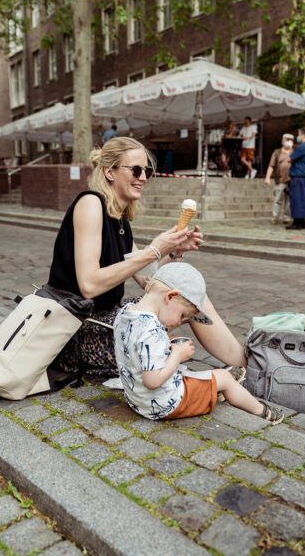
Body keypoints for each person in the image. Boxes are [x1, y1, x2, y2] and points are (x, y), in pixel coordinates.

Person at [47, 136, 246, 378]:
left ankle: (243, 363)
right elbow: (89, 286)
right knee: (164, 345)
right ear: (110, 172)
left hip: (107, 318)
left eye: (147, 171)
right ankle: (238, 369)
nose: (142, 177)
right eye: (136, 170)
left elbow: (149, 281)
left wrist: (174, 251)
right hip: (80, 328)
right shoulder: (90, 204)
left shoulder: (120, 220)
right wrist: (154, 250)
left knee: (188, 296)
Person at [113, 262, 284, 423]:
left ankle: (212, 387)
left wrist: (165, 346)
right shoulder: (152, 331)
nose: (180, 322)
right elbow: (153, 381)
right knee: (223, 378)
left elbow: (137, 352)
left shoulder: (125, 314)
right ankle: (261, 411)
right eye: (182, 315)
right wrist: (177, 355)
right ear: (171, 296)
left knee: (189, 374)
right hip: (163, 404)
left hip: (136, 399)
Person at [286, 127, 305, 230]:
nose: (297, 137)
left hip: (298, 176)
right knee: (302, 200)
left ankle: (297, 223)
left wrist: (289, 149)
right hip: (304, 176)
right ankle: (301, 221)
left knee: (297, 199)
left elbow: (290, 159)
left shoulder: (302, 147)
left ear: (303, 135)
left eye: (298, 134)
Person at [264, 133, 294, 225]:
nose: (288, 142)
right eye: (287, 139)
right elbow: (271, 166)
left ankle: (286, 217)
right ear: (282, 141)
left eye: (290, 140)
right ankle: (275, 217)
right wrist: (267, 177)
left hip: (291, 180)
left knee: (289, 200)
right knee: (278, 199)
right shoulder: (277, 152)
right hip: (280, 179)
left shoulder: (294, 152)